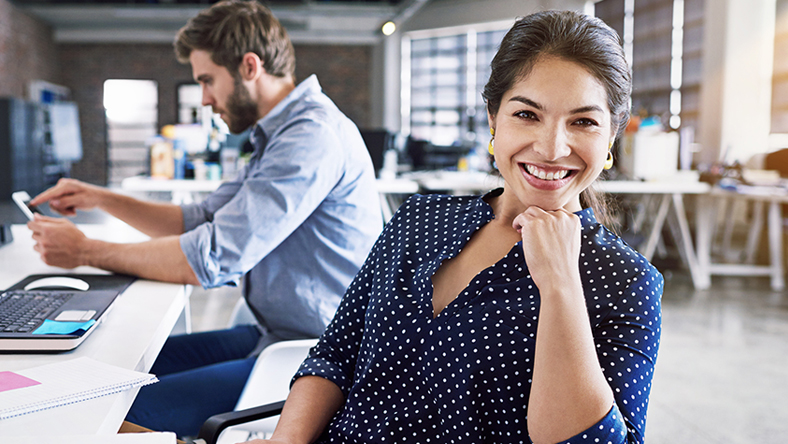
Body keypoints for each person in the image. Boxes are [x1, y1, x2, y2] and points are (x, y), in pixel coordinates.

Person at [249, 10, 663, 444]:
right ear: (493, 118)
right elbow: (335, 355)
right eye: (527, 115)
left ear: (611, 136)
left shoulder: (625, 281)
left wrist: (560, 286)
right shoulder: (419, 219)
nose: (551, 147)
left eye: (583, 122)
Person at [26, 0, 382, 437]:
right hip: (274, 335)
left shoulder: (311, 136)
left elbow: (211, 258)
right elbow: (199, 219)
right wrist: (100, 198)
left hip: (315, 359)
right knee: (105, 371)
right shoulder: (281, 132)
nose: (205, 98)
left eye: (208, 80)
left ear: (250, 67)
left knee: (99, 416)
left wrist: (83, 250)